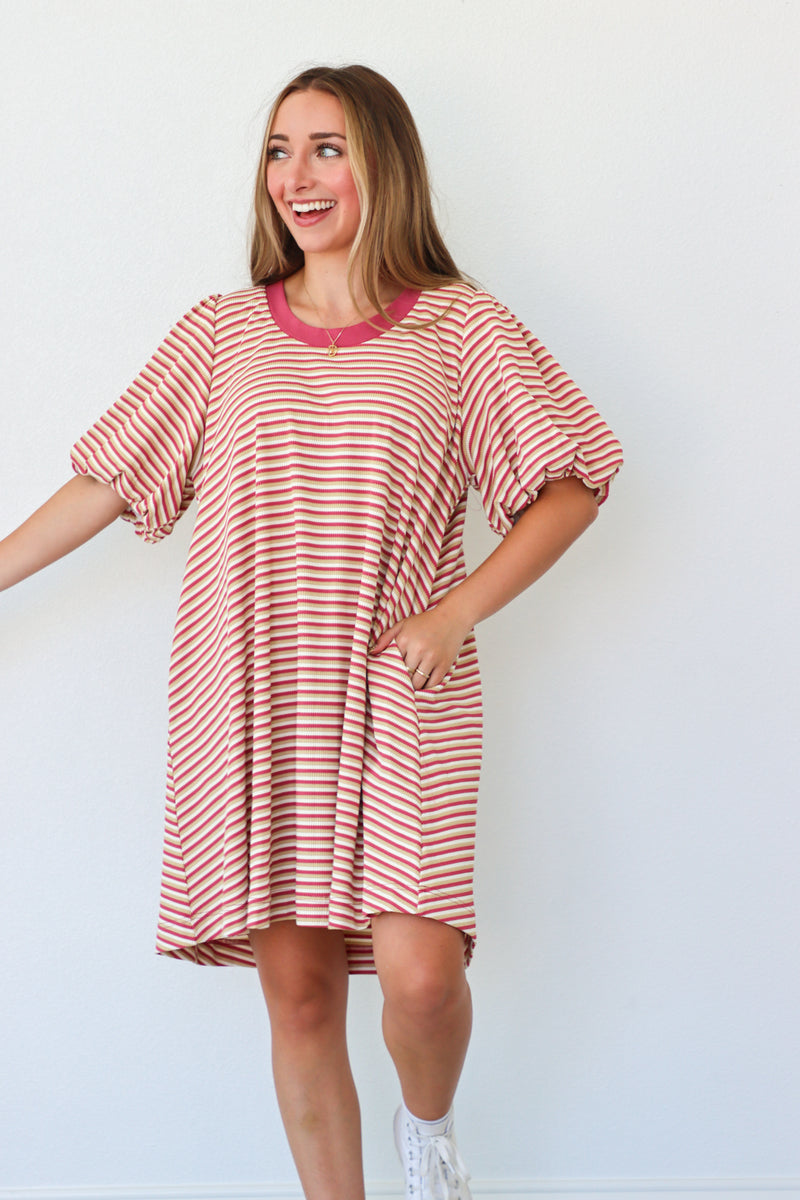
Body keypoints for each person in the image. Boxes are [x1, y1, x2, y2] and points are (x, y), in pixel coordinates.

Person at [0, 65, 622, 1200]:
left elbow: (570, 481)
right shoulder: (222, 335)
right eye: (279, 151)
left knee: (421, 977)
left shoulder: (459, 330)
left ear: (384, 161)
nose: (297, 176)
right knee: (298, 994)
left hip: (404, 682)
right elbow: (104, 480)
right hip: (251, 688)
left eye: (326, 147)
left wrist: (460, 606)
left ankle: (427, 1137)